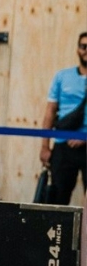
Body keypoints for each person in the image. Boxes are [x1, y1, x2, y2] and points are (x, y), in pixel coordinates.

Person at [41, 33, 87, 205]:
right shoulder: (62, 77)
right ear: (77, 49)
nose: (86, 50)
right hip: (63, 145)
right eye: (83, 46)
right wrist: (45, 146)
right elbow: (50, 111)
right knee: (58, 200)